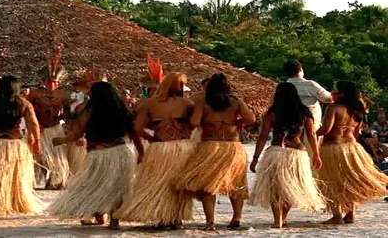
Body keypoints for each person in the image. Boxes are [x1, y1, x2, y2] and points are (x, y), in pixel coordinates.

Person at [49, 81, 144, 230]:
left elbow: (80, 132)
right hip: (120, 153)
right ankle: (114, 219)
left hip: (98, 155)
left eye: (91, 92)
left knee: (94, 185)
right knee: (117, 187)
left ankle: (96, 214)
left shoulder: (91, 110)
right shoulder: (122, 110)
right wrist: (141, 152)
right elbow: (134, 134)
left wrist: (62, 140)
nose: (89, 95)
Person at [175, 73, 255, 231]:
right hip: (232, 146)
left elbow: (194, 121)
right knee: (236, 182)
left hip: (209, 146)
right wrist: (236, 121)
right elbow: (251, 119)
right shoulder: (236, 101)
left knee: (207, 185)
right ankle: (237, 217)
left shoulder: (203, 102)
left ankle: (210, 221)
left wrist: (207, 120)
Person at [115, 72, 196, 230]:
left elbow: (136, 129)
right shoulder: (188, 104)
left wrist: (150, 138)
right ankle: (176, 217)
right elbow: (195, 124)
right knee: (178, 183)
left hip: (160, 148)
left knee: (160, 183)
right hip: (184, 148)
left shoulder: (149, 104)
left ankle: (163, 216)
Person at [249, 82, 325, 228]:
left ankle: (278, 219)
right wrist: (316, 154)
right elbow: (311, 134)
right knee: (291, 186)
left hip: (276, 152)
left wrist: (256, 158)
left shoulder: (272, 113)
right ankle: (284, 216)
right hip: (297, 154)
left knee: (275, 187)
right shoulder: (304, 112)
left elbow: (263, 136)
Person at [316, 81, 388, 225]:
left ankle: (336, 215)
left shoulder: (333, 108)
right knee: (349, 181)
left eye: (335, 92)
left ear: (342, 93)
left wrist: (311, 133)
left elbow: (326, 129)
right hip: (353, 148)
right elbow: (357, 133)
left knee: (333, 182)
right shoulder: (357, 110)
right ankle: (350, 214)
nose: (332, 94)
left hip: (333, 147)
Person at [0, 75, 42, 220]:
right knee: (10, 178)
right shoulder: (24, 104)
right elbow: (33, 124)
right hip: (15, 146)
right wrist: (36, 141)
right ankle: (5, 205)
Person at [27, 45, 71, 190]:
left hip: (54, 129)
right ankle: (30, 180)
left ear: (59, 83)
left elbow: (68, 113)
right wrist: (35, 124)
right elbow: (27, 110)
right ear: (44, 81)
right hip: (39, 129)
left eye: (55, 82)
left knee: (56, 156)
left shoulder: (63, 96)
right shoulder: (34, 94)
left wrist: (64, 123)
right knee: (38, 156)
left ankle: (56, 179)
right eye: (49, 82)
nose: (52, 84)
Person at [284, 60, 333, 158]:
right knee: (313, 153)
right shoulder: (310, 84)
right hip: (311, 122)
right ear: (300, 70)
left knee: (293, 154)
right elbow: (329, 99)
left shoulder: (284, 86)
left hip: (290, 124)